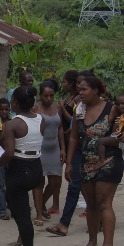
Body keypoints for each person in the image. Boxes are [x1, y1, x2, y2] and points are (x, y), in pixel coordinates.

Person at [75, 72, 124, 246]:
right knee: (91, 204)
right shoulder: (79, 110)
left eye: (84, 89)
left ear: (96, 90)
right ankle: (92, 241)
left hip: (109, 161)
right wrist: (69, 162)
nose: (80, 93)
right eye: (79, 90)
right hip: (86, 163)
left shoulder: (112, 109)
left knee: (104, 203)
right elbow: (73, 137)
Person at [0, 85, 46, 246]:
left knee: (22, 214)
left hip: (19, 169)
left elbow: (9, 153)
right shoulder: (40, 119)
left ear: (15, 102)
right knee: (23, 212)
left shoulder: (12, 124)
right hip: (36, 167)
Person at [46, 70, 83, 237]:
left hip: (81, 147)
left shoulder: (80, 102)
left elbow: (73, 123)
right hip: (71, 144)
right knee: (74, 185)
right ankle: (64, 223)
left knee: (80, 185)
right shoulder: (75, 101)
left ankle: (97, 218)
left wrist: (61, 107)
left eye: (65, 82)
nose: (80, 89)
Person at [34, 80, 64, 224]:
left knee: (55, 182)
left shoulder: (57, 107)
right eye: (45, 96)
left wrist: (63, 148)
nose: (49, 98)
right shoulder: (35, 108)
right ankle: (39, 214)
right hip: (40, 149)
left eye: (51, 95)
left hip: (54, 149)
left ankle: (42, 203)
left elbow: (60, 128)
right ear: (40, 95)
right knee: (39, 183)